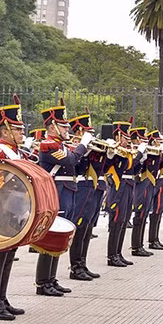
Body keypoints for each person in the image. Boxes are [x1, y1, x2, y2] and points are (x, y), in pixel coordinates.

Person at [36, 100, 92, 297]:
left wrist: (87, 152)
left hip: (68, 190)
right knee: (51, 235)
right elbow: (69, 160)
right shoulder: (48, 144)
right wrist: (83, 145)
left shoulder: (62, 144)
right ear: (52, 127)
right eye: (63, 126)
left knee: (61, 234)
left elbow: (77, 166)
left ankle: (51, 278)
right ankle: (43, 282)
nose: (67, 129)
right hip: (57, 190)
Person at [0, 95, 28, 319]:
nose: (22, 133)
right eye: (18, 130)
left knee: (9, 253)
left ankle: (1, 297)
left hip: (13, 207)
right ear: (6, 130)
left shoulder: (14, 150)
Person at [67, 113, 106, 281]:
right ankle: (75, 267)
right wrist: (83, 149)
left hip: (92, 186)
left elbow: (100, 167)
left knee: (88, 227)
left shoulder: (85, 146)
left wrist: (107, 154)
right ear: (78, 132)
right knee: (80, 227)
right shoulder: (71, 146)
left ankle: (82, 263)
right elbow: (76, 166)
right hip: (81, 187)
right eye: (85, 132)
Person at [103, 120, 146, 267]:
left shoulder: (126, 152)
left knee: (123, 220)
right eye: (124, 137)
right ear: (118, 136)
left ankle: (118, 253)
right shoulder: (115, 150)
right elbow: (126, 166)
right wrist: (139, 155)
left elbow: (134, 170)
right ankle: (111, 256)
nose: (127, 139)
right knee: (116, 221)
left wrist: (141, 161)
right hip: (118, 186)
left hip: (128, 186)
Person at [131, 128, 161, 257]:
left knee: (144, 214)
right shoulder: (134, 151)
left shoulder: (146, 150)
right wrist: (140, 155)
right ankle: (135, 246)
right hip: (140, 183)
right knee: (139, 214)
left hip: (148, 184)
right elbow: (133, 167)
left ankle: (139, 245)